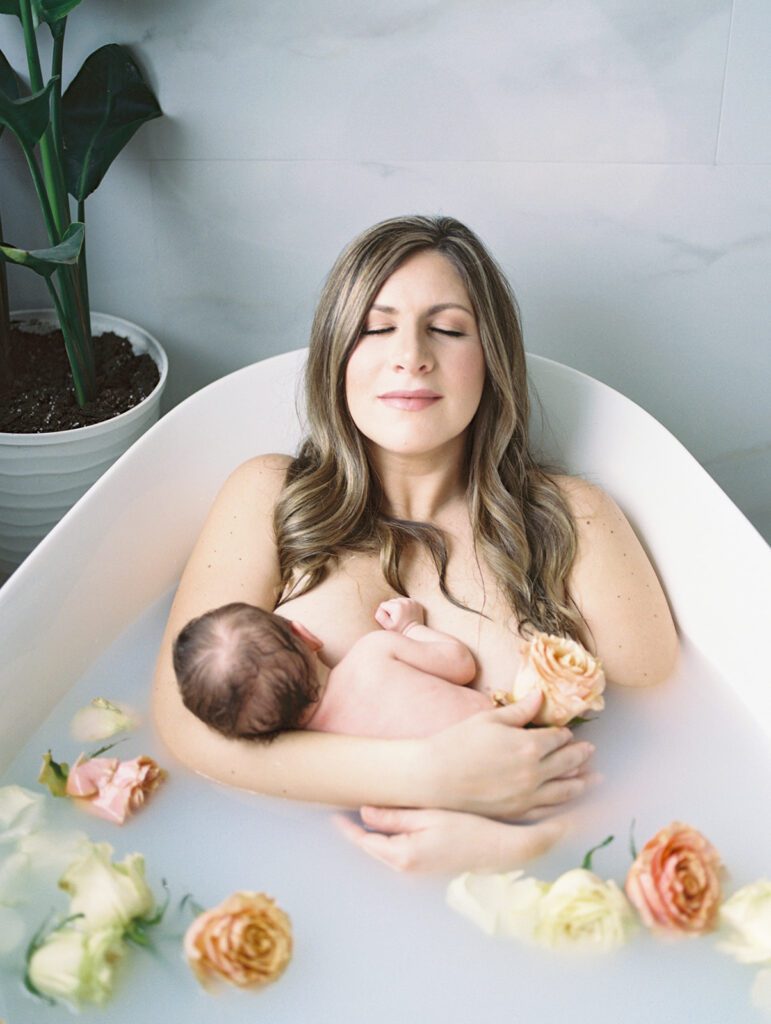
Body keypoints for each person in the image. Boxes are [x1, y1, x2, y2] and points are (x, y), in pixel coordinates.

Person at [152, 215, 678, 874]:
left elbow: (672, 744)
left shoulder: (574, 520)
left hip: (533, 884)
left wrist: (531, 846)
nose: (410, 355)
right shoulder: (268, 497)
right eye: (376, 327)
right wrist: (424, 776)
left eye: (448, 328)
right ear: (335, 354)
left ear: (492, 359)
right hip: (292, 880)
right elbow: (186, 729)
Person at [172, 596, 490, 743]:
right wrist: (409, 627)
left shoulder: (326, 753)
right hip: (499, 729)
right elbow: (461, 665)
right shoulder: (374, 650)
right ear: (305, 635)